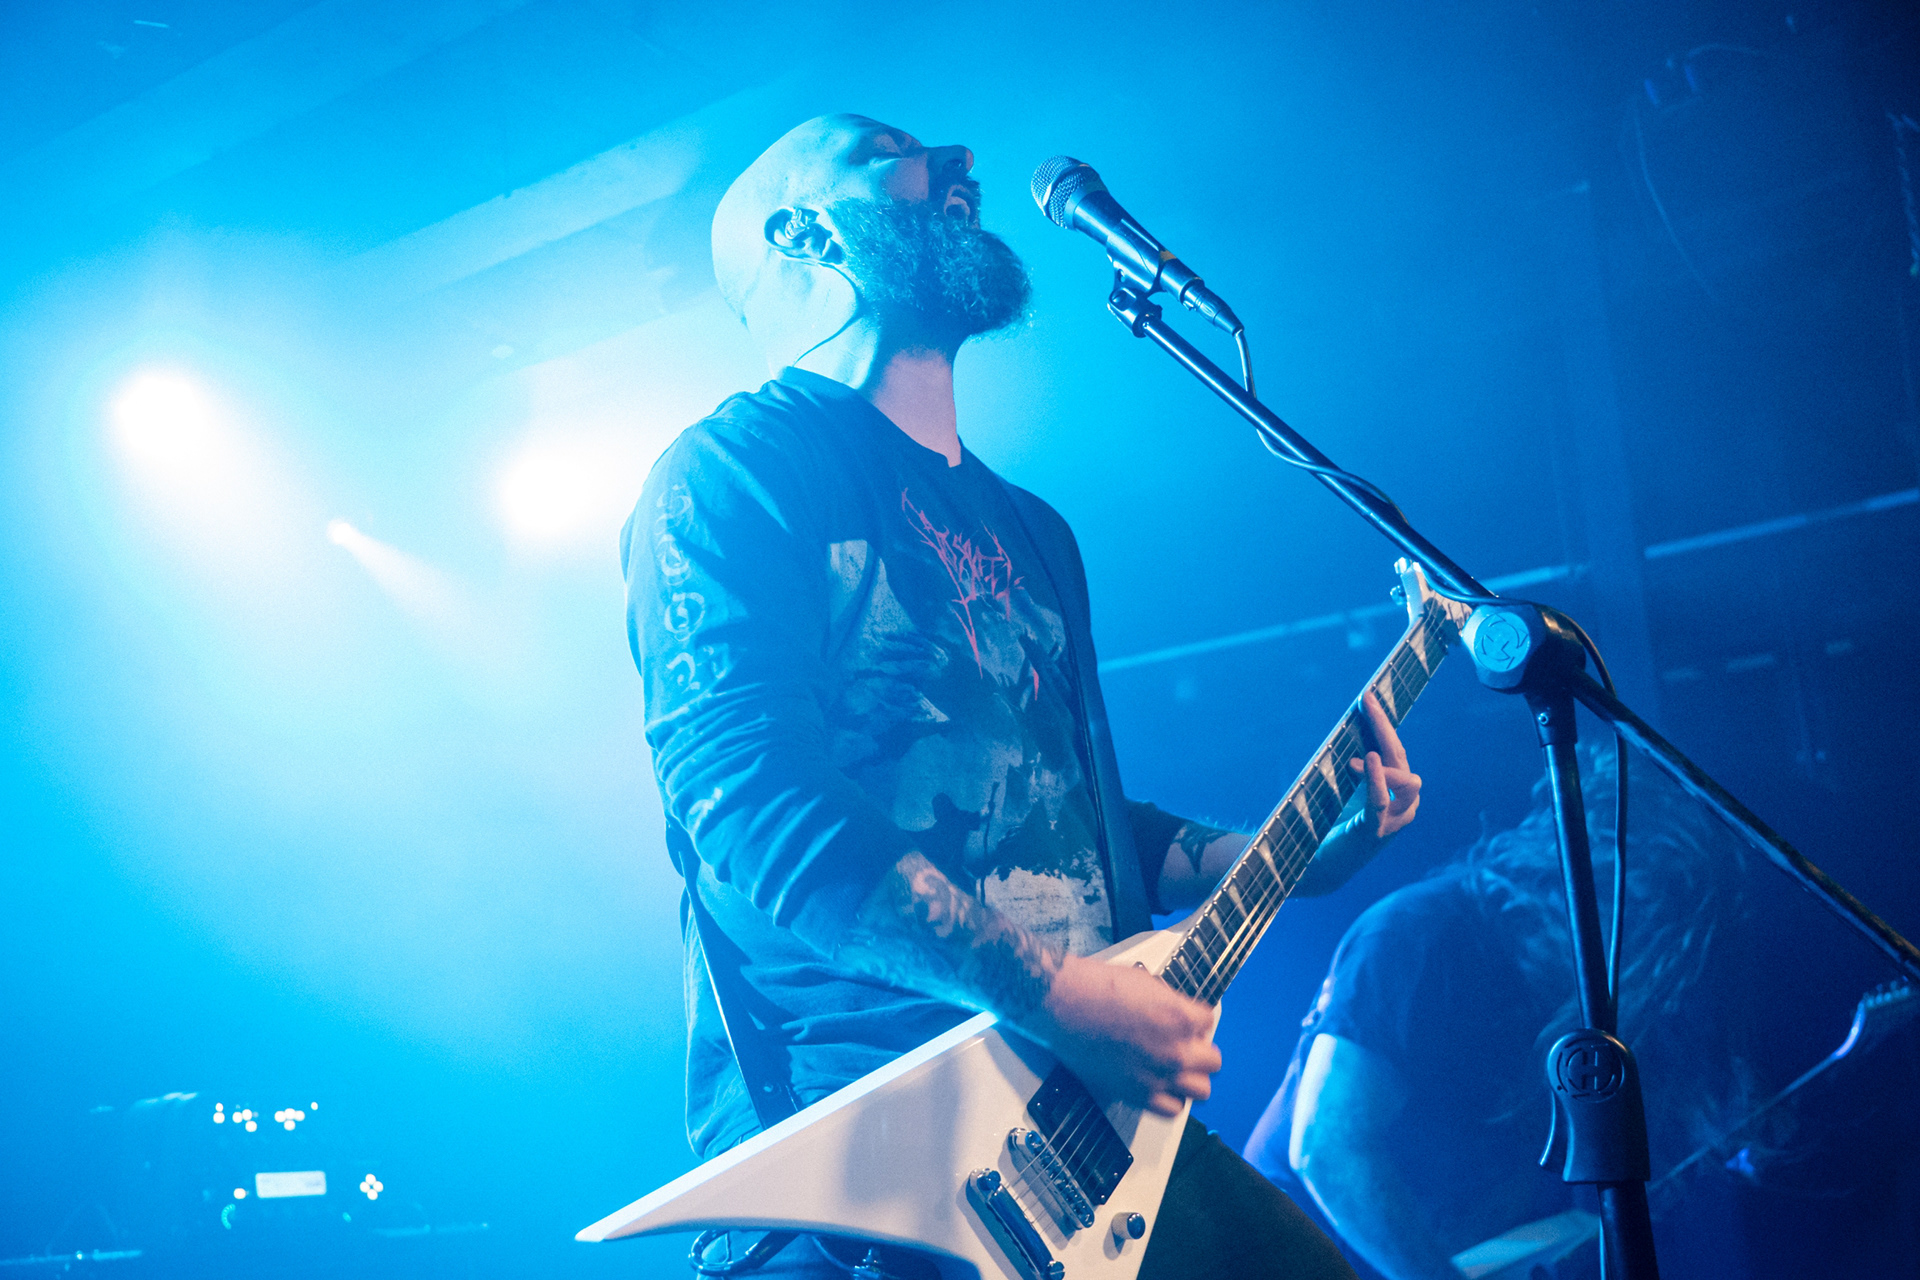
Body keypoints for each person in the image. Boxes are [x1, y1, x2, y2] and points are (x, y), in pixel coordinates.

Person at [622, 113, 1424, 1279]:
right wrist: (1055, 992)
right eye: (887, 148)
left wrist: (1281, 852)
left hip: (1085, 1125)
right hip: (872, 1169)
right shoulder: (731, 472)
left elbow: (1065, 822)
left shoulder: (1034, 530)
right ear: (802, 231)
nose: (959, 159)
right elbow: (745, 796)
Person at [1243, 750, 1761, 1280]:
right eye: (1638, 932)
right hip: (1295, 1253)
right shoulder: (1416, 934)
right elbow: (1330, 1150)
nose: (1634, 966)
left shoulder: (1554, 987)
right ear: (1590, 883)